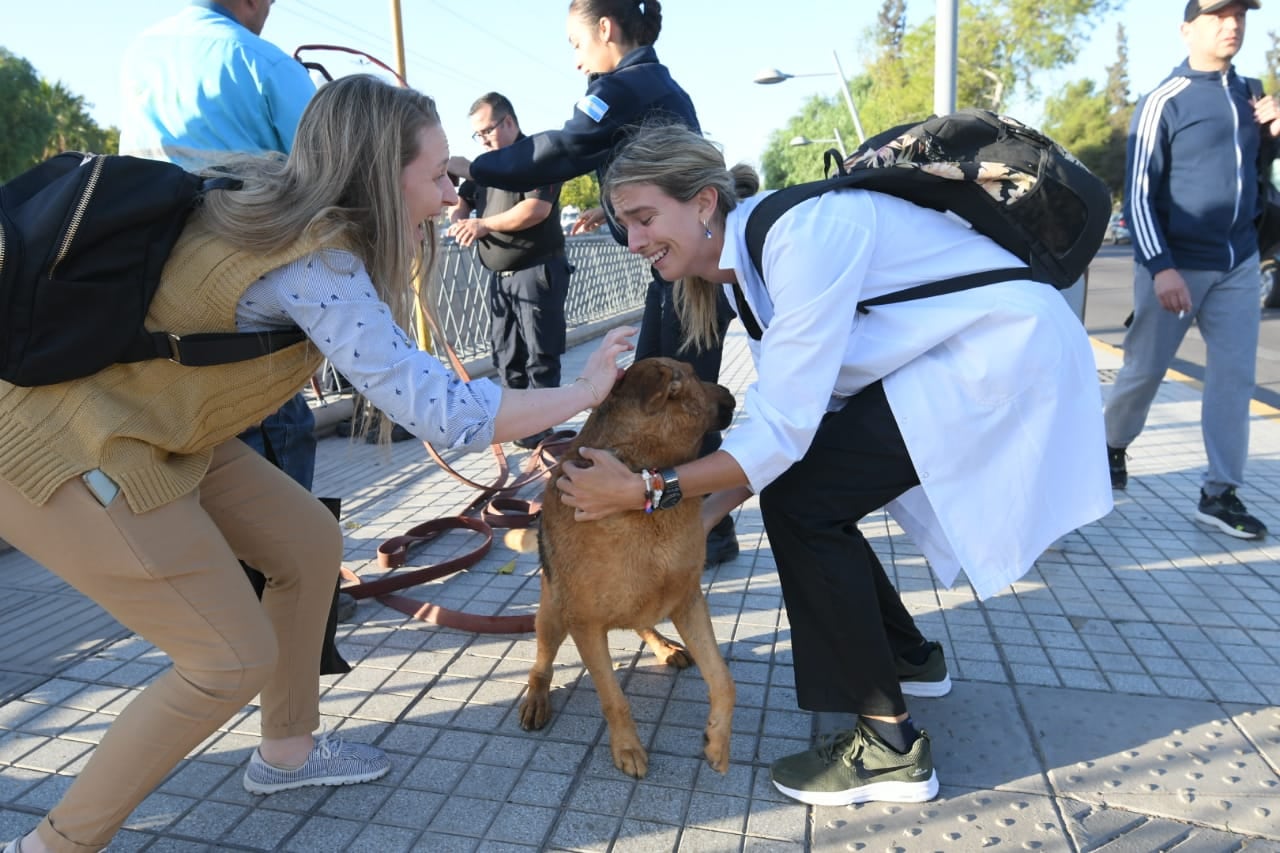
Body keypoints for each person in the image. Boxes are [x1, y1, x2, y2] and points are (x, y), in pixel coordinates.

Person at [0, 75, 634, 853]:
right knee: (225, 657)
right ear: (376, 173)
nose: (448, 196)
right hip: (61, 441)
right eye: (436, 176)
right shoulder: (316, 262)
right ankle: (53, 845)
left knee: (305, 539)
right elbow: (442, 412)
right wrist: (582, 393)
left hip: (154, 421)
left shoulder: (282, 199)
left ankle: (287, 751)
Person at [554, 124, 1113, 806]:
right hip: (958, 357)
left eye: (644, 219)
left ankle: (888, 744)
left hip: (998, 353)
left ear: (703, 203)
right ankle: (904, 656)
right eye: (625, 225)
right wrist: (702, 509)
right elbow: (783, 422)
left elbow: (784, 432)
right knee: (803, 491)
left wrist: (650, 490)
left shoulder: (801, 237)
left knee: (804, 503)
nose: (634, 242)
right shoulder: (744, 271)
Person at [447, 0, 740, 567]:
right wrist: (614, 214)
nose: (578, 62)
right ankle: (670, 519)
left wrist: (473, 167)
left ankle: (703, 529)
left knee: (679, 400)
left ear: (606, 29)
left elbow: (563, 148)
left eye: (577, 45)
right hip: (677, 270)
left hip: (690, 279)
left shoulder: (631, 83)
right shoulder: (651, 86)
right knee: (654, 391)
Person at [117, 0, 354, 620]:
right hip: (247, 296)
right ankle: (297, 600)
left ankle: (226, 600)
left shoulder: (143, 54)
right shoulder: (260, 62)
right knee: (277, 435)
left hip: (161, 299)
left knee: (209, 452)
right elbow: (334, 179)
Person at [1105, 0, 1279, 540]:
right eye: (1219, 16)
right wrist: (1161, 267)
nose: (1232, 25)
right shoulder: (1165, 100)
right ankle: (1108, 448)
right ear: (1187, 29)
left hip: (1239, 262)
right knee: (1144, 370)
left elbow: (1255, 175)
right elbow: (1137, 194)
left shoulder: (1250, 93)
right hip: (1177, 264)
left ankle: (1220, 493)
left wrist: (1273, 136)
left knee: (1234, 378)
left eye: (1241, 16)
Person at [448, 93, 573, 450]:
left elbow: (535, 210)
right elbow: (466, 198)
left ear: (508, 122)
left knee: (540, 355)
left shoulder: (537, 157)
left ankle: (544, 433)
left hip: (535, 271)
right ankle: (517, 426)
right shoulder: (486, 166)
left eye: (487, 130)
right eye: (477, 135)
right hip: (500, 276)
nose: (484, 139)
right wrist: (460, 211)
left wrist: (483, 225)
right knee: (506, 354)